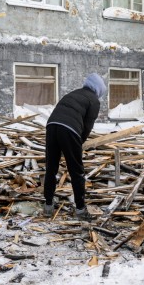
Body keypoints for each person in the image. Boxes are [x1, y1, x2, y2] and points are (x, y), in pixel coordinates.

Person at [43, 73, 105, 220]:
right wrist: (78, 144)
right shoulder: (94, 101)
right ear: (98, 89)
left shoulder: (74, 93)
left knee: (51, 168)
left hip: (52, 126)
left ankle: (48, 206)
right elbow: (87, 126)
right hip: (69, 129)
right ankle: (80, 209)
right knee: (76, 171)